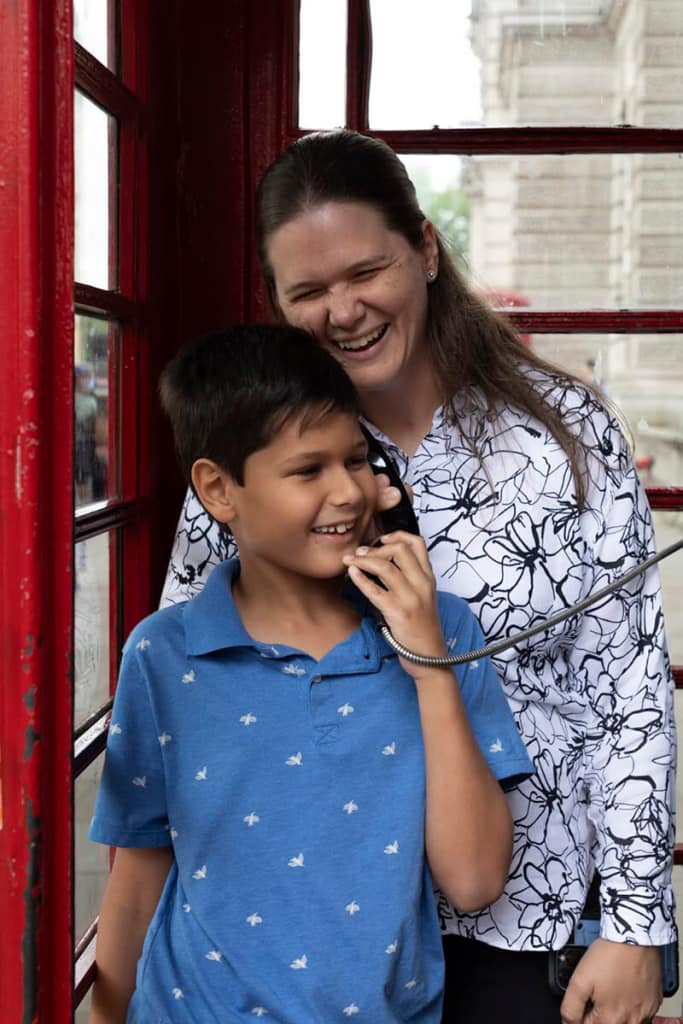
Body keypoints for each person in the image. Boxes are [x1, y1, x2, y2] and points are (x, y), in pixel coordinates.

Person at [162, 131, 676, 1024]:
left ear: (427, 250)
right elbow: (187, 693)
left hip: (532, 920)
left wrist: (635, 925)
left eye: (366, 272)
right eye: (308, 292)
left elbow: (627, 692)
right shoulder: (256, 460)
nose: (344, 311)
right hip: (316, 929)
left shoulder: (561, 431)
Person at [89, 324, 533, 1023]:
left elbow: (475, 881)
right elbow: (138, 876)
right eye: (307, 470)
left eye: (356, 460)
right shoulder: (163, 655)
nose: (348, 493)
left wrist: (427, 665)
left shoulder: (441, 632)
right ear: (218, 489)